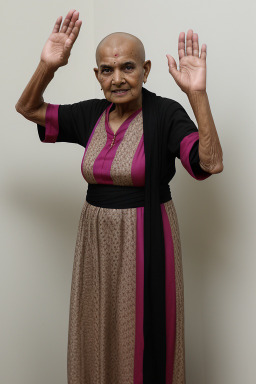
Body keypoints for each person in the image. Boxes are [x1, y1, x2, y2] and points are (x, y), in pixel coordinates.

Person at [15, 8, 223, 384]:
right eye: (107, 70)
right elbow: (28, 108)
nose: (118, 78)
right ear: (97, 76)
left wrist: (197, 96)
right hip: (95, 243)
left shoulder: (166, 114)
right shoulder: (91, 115)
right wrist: (49, 66)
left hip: (146, 241)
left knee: (142, 334)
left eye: (128, 67)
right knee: (98, 327)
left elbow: (210, 164)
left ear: (145, 70)